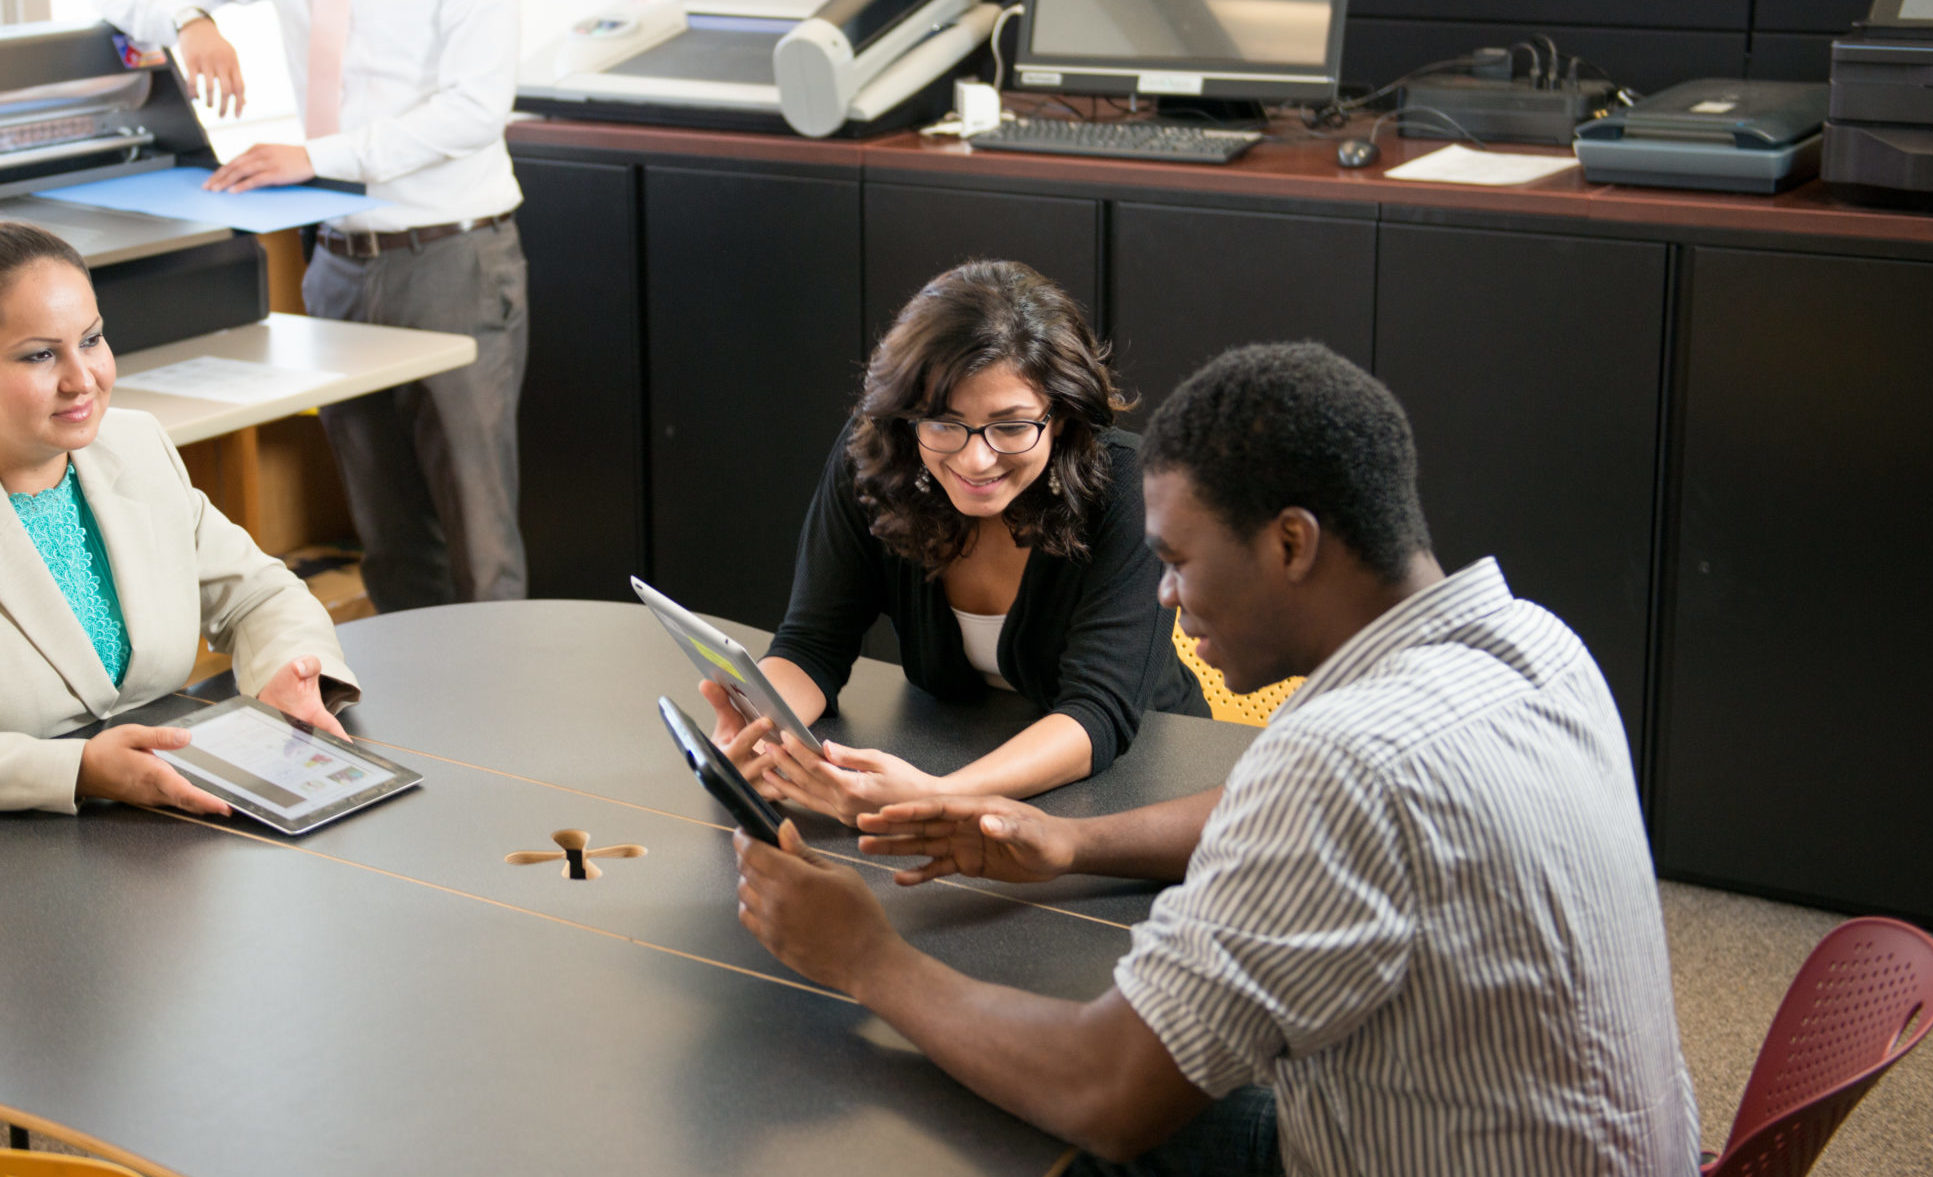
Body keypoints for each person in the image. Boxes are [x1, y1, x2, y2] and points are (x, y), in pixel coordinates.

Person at [732, 341, 1698, 1176]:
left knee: (979, 1122)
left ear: (1290, 544)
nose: (1167, 598)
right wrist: (1069, 841)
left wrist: (869, 959)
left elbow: (1105, 1086)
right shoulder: (1527, 643)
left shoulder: (1341, 769)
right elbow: (1273, 804)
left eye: (1180, 560)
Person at [0, 220, 360, 814]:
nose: (82, 379)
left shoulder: (136, 446)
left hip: (154, 838)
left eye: (90, 340)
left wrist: (285, 672)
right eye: (40, 355)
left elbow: (258, 595)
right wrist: (76, 771)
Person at [708, 261, 1207, 823]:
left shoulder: (1128, 486)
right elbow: (810, 645)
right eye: (943, 423)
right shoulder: (873, 461)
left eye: (1012, 426)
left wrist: (938, 799)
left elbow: (1097, 714)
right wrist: (763, 728)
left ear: (1061, 416)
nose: (975, 459)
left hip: (1139, 788)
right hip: (953, 753)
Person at [96, 0, 529, 613]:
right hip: (336, 259)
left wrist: (314, 159)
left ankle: (497, 703)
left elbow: (474, 112)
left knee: (479, 538)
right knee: (384, 529)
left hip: (449, 255)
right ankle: (417, 694)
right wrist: (189, 22)